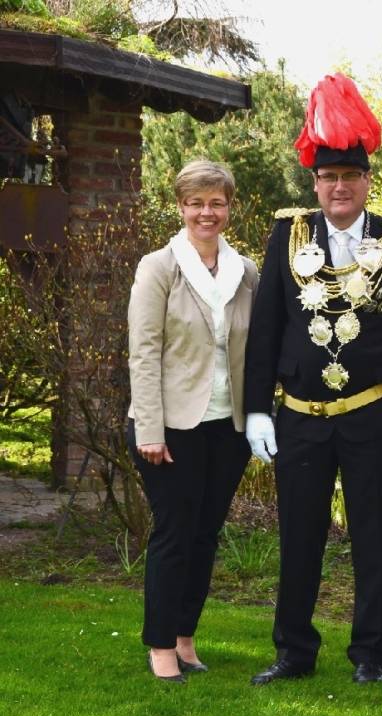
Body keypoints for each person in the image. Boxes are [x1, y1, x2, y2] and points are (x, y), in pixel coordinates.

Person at [243, 74, 382, 686]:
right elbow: (265, 330)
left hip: (370, 413)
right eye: (330, 178)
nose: (340, 187)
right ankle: (294, 652)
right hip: (300, 415)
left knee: (369, 537)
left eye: (351, 177)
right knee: (298, 539)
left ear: (367, 182)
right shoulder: (288, 235)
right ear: (316, 183)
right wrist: (258, 408)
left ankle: (370, 655)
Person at [127, 159, 258, 682]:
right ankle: (159, 643)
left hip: (228, 426)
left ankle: (185, 637)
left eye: (217, 202)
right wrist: (150, 431)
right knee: (175, 534)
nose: (208, 211)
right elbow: (143, 350)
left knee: (205, 535)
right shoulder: (159, 267)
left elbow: (258, 346)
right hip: (172, 425)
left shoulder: (245, 272)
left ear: (229, 207)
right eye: (197, 202)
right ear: (181, 207)